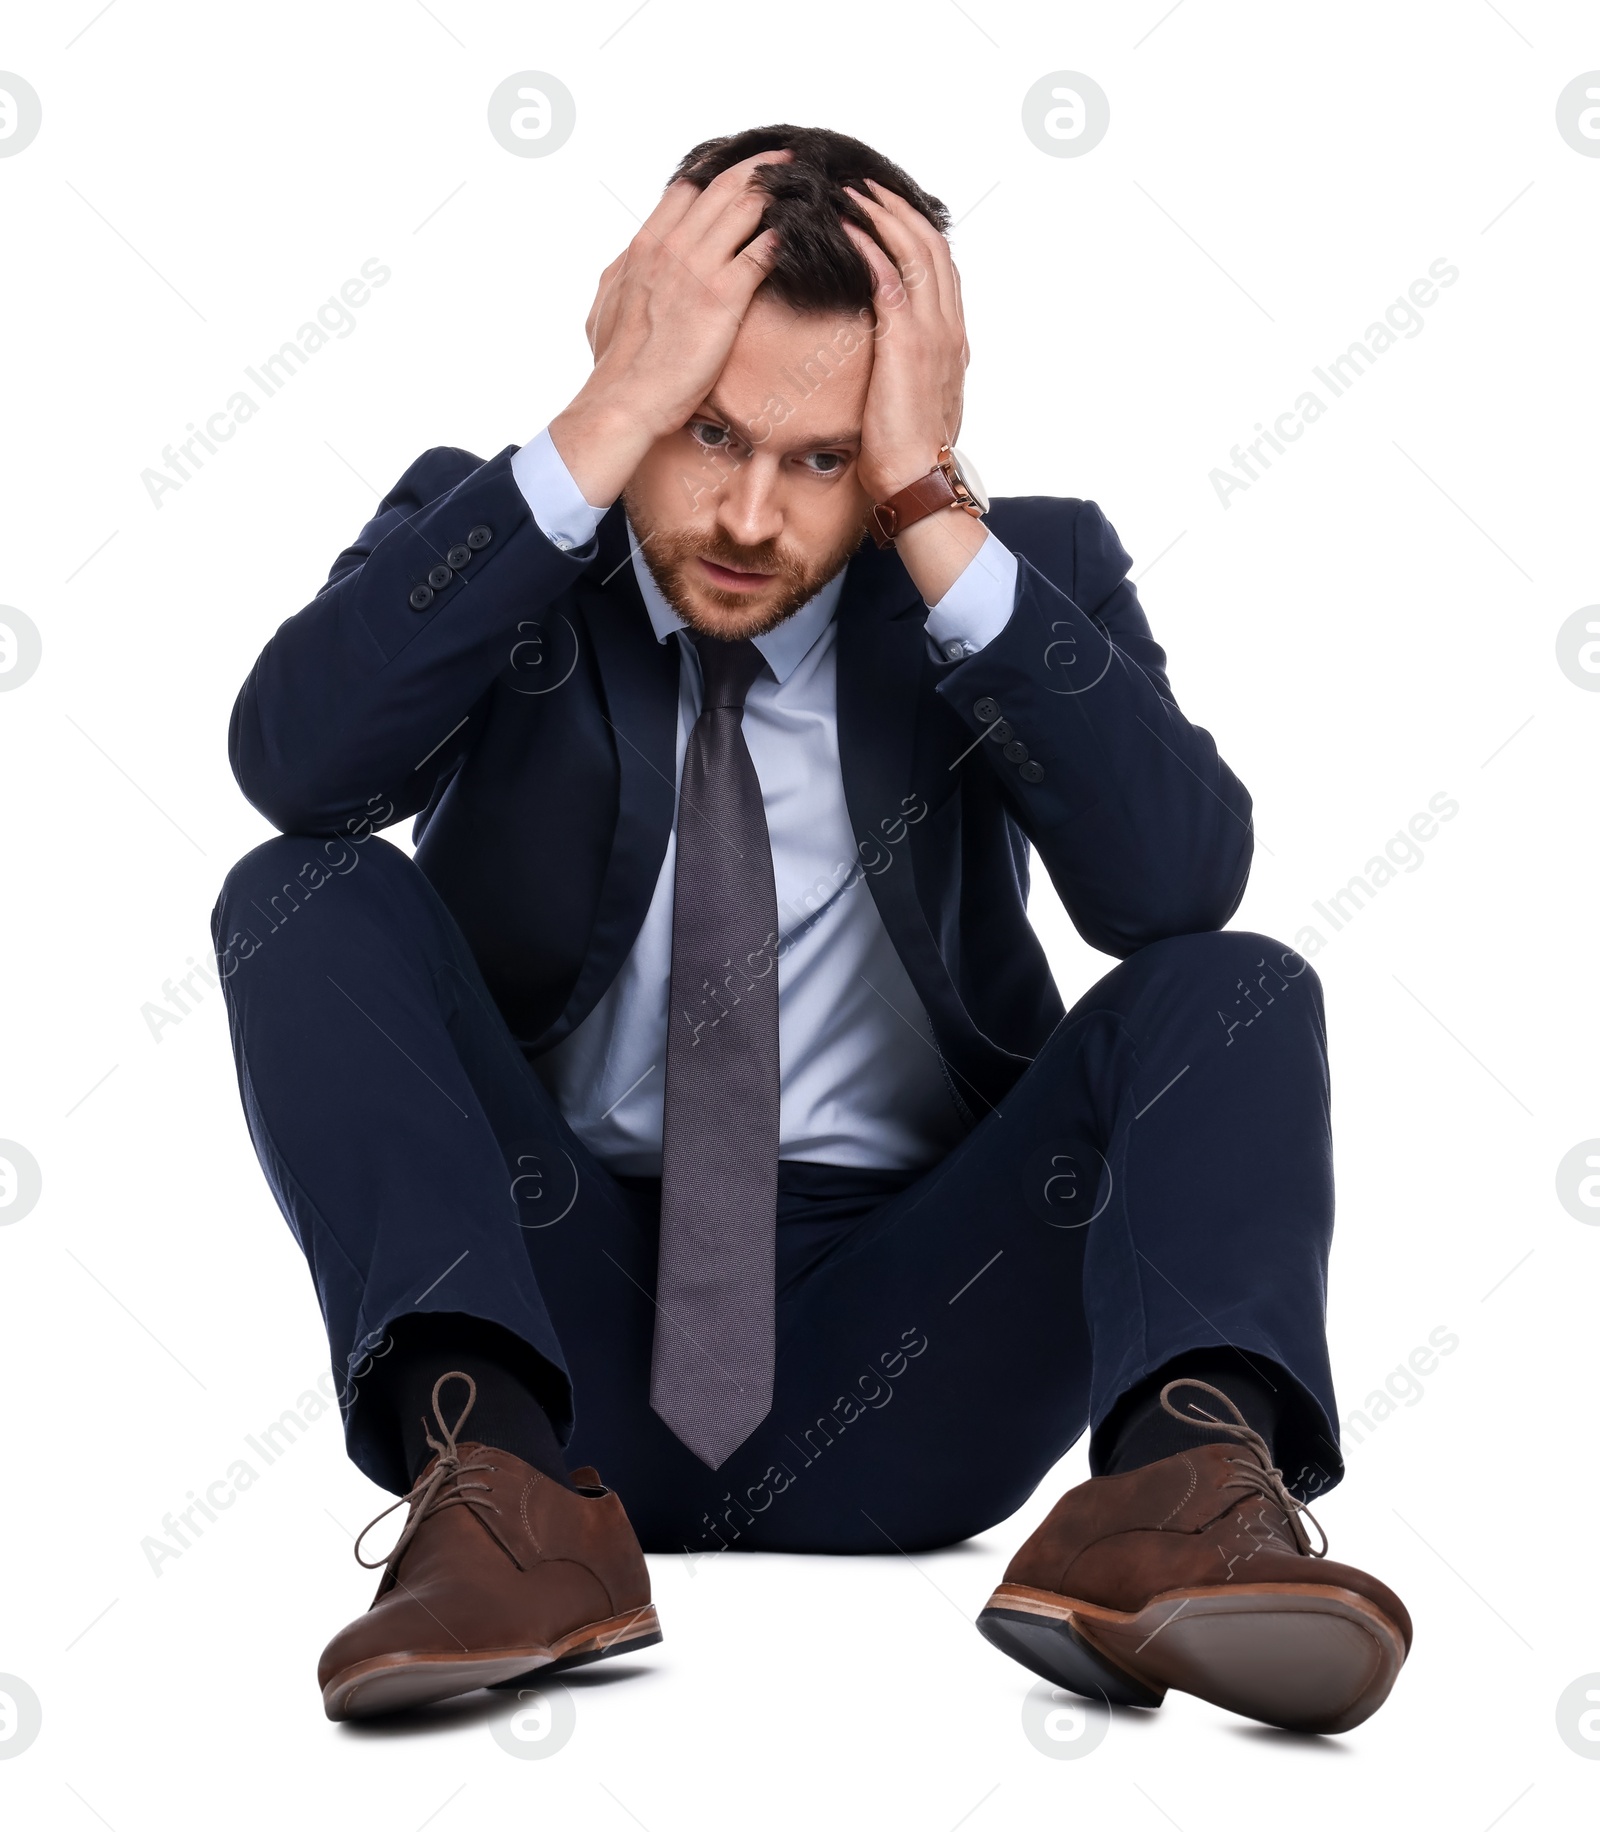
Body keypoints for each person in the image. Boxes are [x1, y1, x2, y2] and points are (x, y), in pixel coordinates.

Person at [214, 124, 1410, 1732]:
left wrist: (930, 503)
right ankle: (492, 1513)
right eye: (707, 432)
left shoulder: (1016, 566)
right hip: (559, 1348)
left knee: (1241, 990)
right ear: (634, 376)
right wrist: (601, 428)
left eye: (824, 456)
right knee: (299, 891)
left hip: (926, 1338)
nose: (752, 515)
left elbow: (1175, 890)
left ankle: (1183, 1500)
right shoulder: (496, 538)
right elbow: (297, 768)